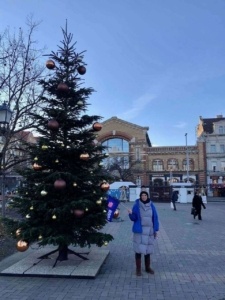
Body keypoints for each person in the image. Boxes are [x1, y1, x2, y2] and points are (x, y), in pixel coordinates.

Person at [128, 191, 159, 276]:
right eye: (142, 195)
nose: (144, 196)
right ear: (140, 196)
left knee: (147, 250)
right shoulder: (136, 206)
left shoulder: (152, 205)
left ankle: (147, 268)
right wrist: (131, 214)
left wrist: (156, 229)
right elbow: (134, 218)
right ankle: (138, 269)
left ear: (147, 196)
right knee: (138, 250)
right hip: (140, 231)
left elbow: (155, 217)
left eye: (145, 195)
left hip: (149, 231)